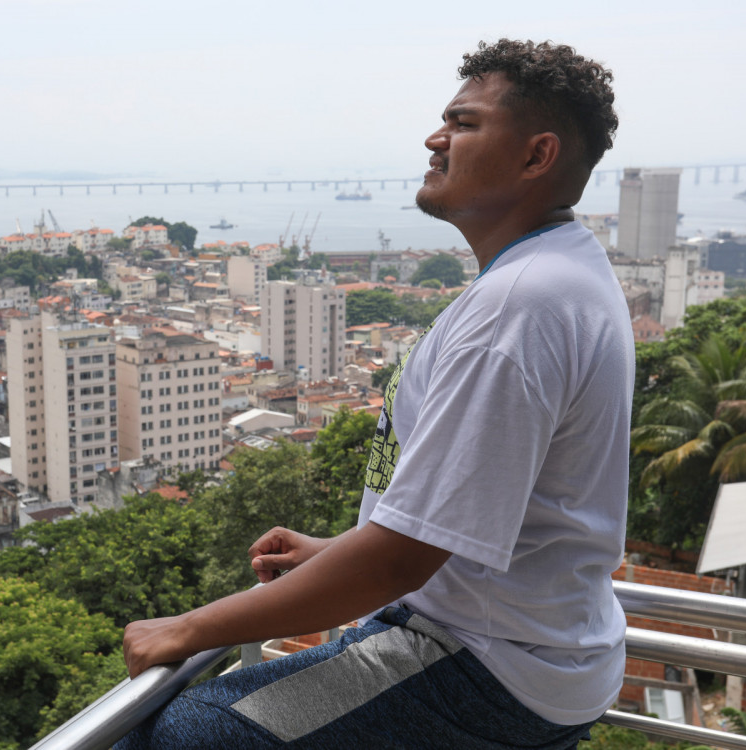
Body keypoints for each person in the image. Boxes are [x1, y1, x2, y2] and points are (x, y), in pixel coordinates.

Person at [119, 38, 633, 749]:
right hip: (533, 650)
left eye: (464, 122)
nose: (435, 138)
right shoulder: (561, 272)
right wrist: (337, 551)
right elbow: (487, 514)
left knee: (180, 735)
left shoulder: (516, 308)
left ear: (536, 155)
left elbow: (400, 562)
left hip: (483, 663)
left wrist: (187, 628)